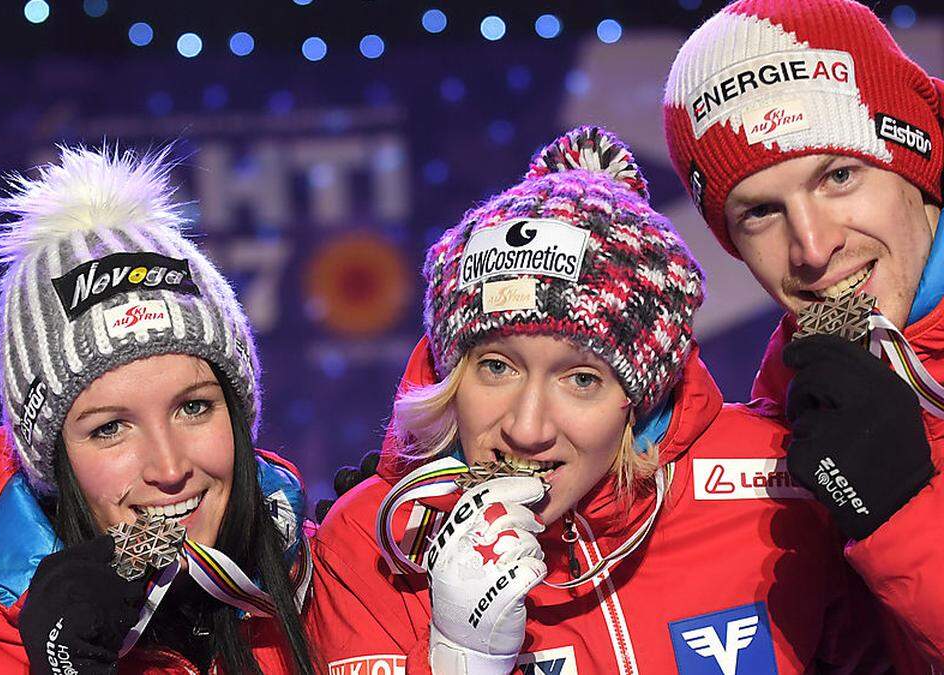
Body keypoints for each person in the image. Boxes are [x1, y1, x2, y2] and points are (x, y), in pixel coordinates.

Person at [308, 127, 892, 674]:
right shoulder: (369, 541)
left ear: (642, 395)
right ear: (451, 374)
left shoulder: (776, 476)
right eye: (495, 366)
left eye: (581, 378)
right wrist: (462, 657)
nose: (527, 428)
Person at [0, 147, 317, 674]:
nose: (169, 470)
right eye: (111, 429)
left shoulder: (320, 590)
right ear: (52, 461)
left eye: (193, 407)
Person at [663, 0, 944, 664]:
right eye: (760, 211)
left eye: (838, 175)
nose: (813, 248)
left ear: (916, 162)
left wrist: (899, 515)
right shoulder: (793, 408)